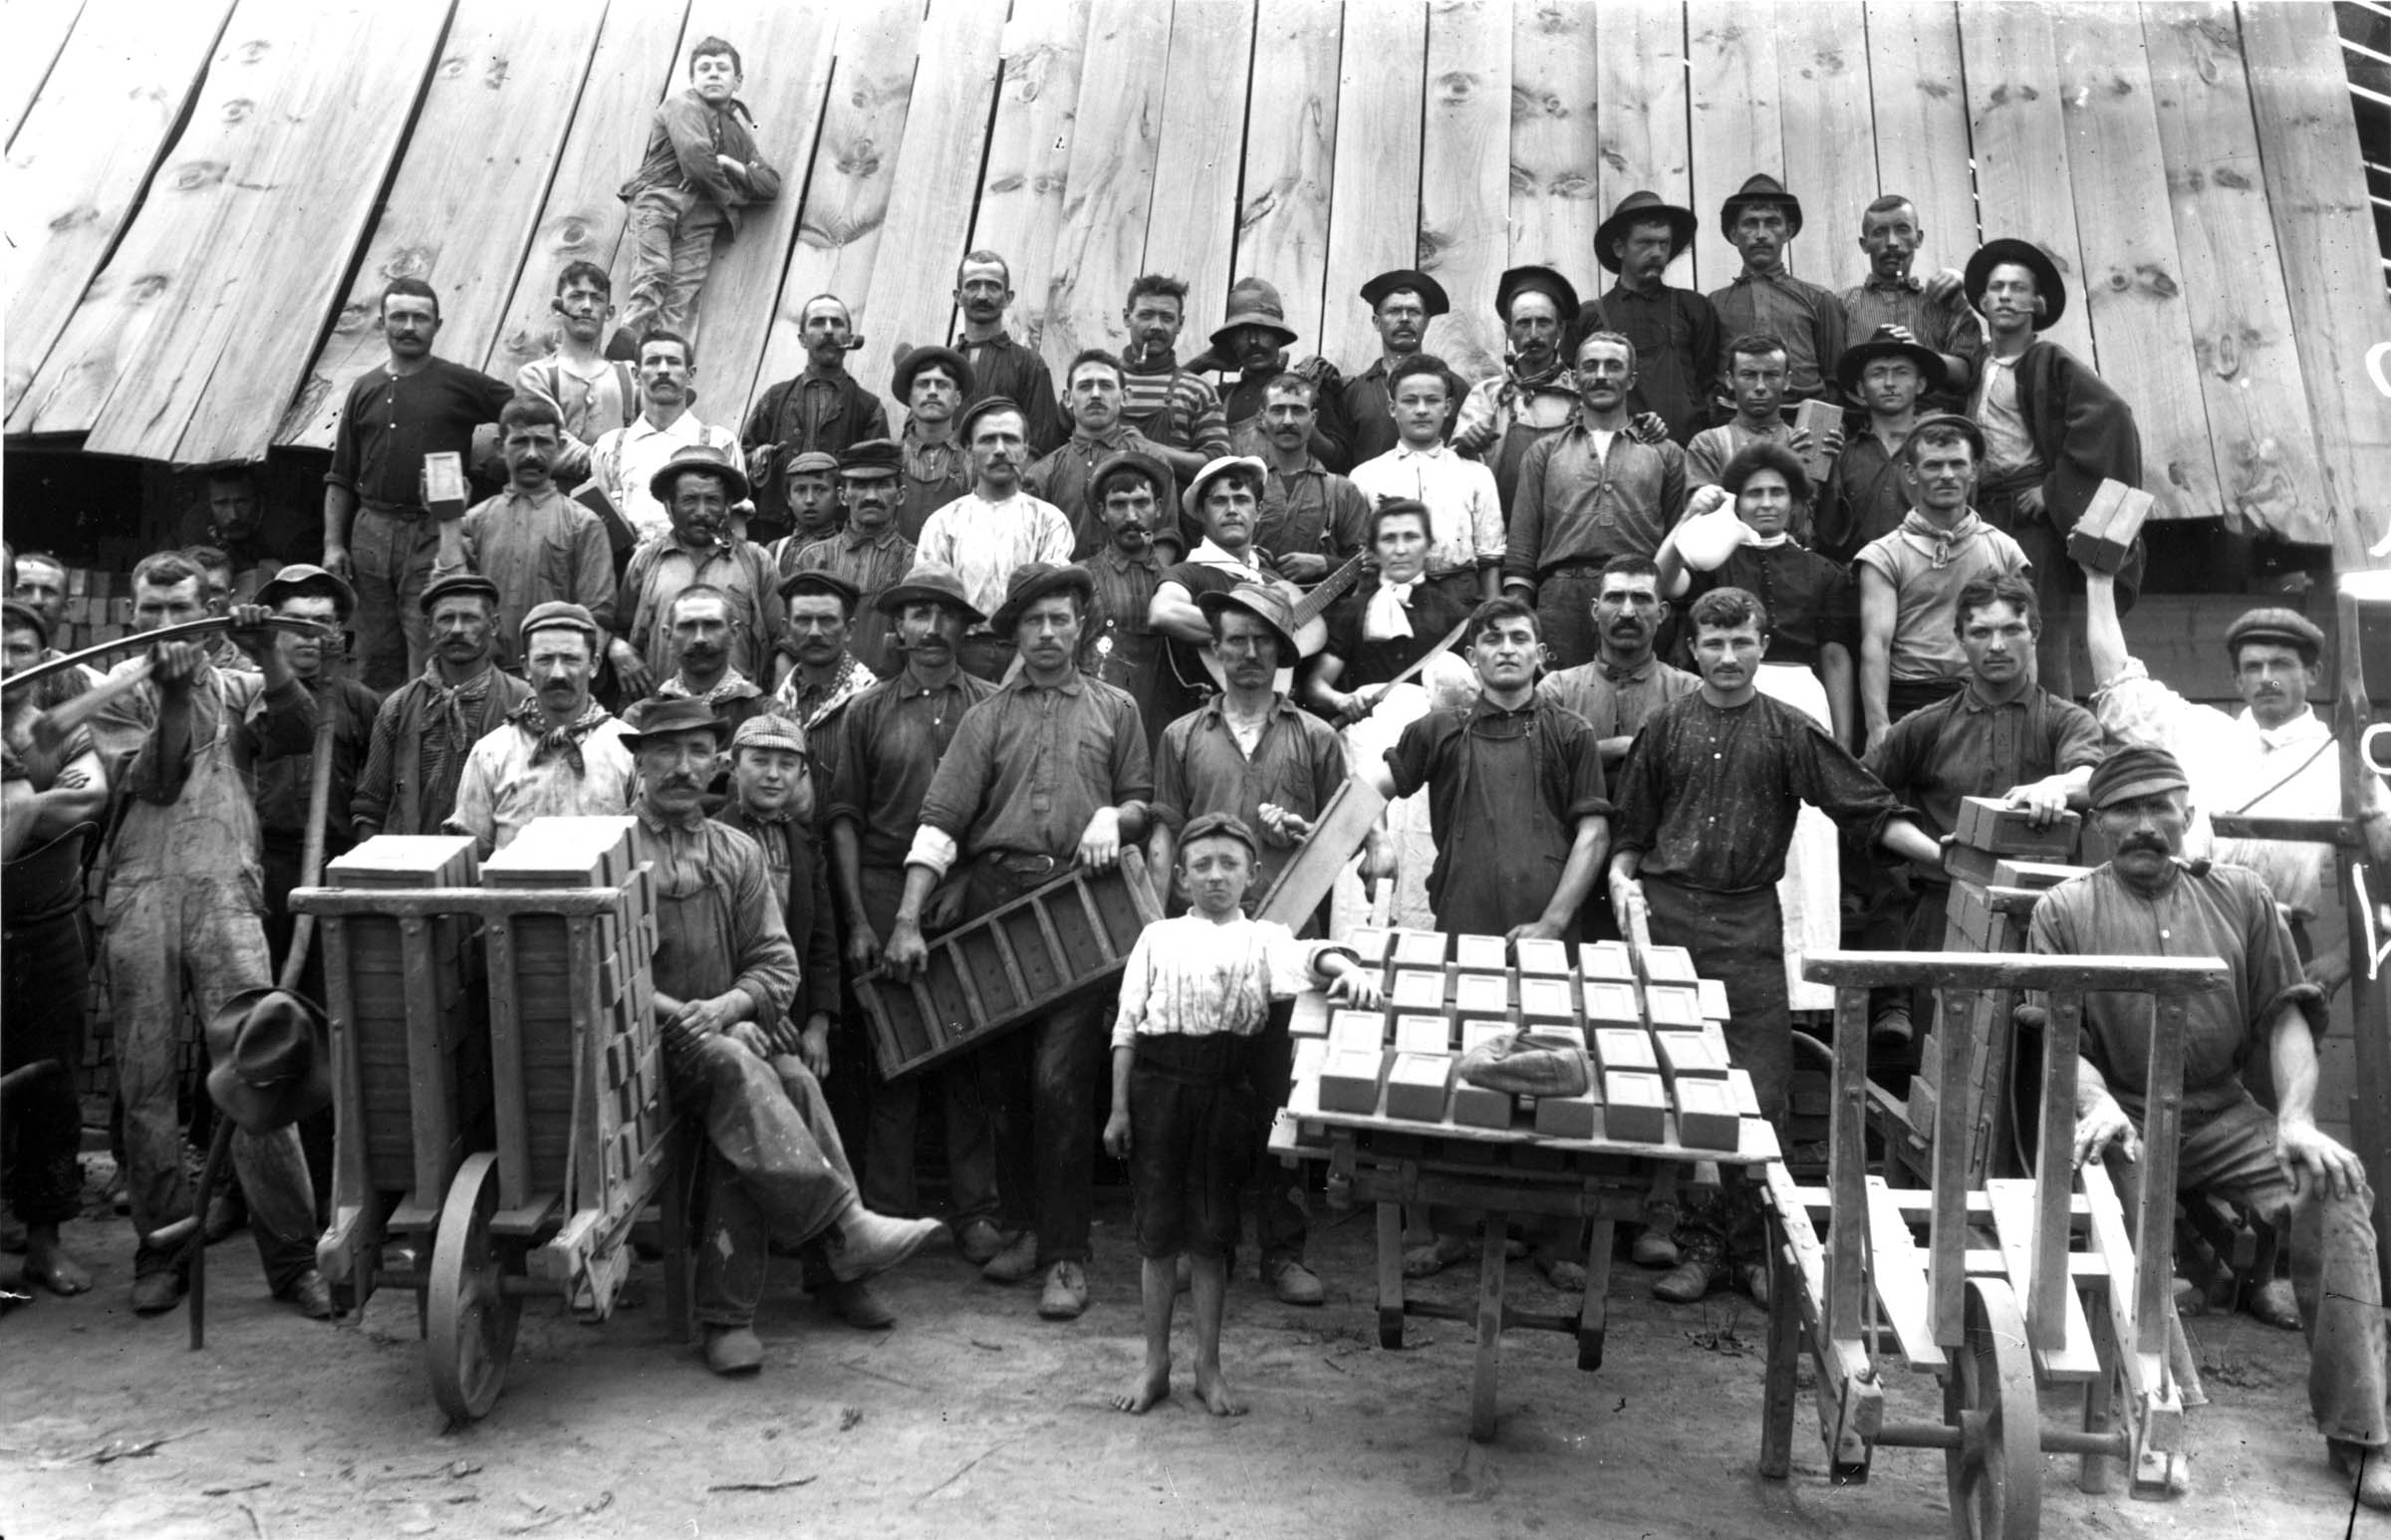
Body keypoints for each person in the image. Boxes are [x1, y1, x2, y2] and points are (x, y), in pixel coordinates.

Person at [2026, 745, 2388, 1512]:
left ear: (2189, 817)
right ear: (2097, 825)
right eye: (2126, 810)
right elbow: (2060, 1043)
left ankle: (2361, 1435)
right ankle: (2162, 1414)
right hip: (2121, 1111)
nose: (2146, 825)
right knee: (2120, 1190)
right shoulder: (2062, 911)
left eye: (2163, 808)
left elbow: (2287, 1017)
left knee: (2337, 1187)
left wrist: (2294, 1119)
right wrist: (2096, 1104)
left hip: (2222, 1112)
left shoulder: (2243, 897)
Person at [1610, 586, 1940, 1304]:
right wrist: (1620, 883)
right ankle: (1697, 1249)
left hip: (1749, 925)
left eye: (1742, 642)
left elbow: (1867, 810)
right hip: (1670, 925)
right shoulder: (1664, 729)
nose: (1728, 657)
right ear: (1691, 649)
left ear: (1763, 645)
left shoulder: (1790, 730)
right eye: (1714, 644)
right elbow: (1630, 835)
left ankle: (1760, 1252)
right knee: (1679, 1087)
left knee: (1759, 1094)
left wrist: (1945, 857)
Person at [620, 696, 940, 1372]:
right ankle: (843, 1230)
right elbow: (600, 975)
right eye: (665, 754)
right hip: (637, 1057)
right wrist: (695, 1015)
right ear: (639, 763)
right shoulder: (612, 854)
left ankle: (731, 1317)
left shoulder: (736, 851)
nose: (683, 768)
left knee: (781, 1079)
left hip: (724, 1045)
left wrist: (735, 1006)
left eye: (697, 752)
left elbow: (777, 961)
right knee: (750, 1072)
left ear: (715, 762)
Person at [884, 563, 1154, 1320]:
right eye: (1032, 622)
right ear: (1013, 632)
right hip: (996, 904)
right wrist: (908, 917)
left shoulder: (1118, 707)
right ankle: (1031, 1230)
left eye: (1059, 620)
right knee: (1002, 1084)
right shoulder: (987, 718)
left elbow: (1142, 799)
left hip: (1079, 907)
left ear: (1081, 626)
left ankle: (1067, 1257)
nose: (1045, 635)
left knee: (1060, 1084)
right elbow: (940, 823)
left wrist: (1117, 819)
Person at [86, 552, 332, 1318]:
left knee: (262, 1065)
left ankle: (293, 1260)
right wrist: (168, 695)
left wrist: (265, 651)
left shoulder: (237, 685)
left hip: (225, 890)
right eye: (151, 612)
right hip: (139, 894)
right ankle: (162, 1249)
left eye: (179, 610)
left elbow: (298, 727)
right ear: (133, 615)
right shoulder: (112, 689)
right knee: (147, 1082)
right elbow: (155, 780)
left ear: (210, 607)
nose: (164, 626)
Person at [1355, 597, 1612, 1280]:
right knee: (1459, 1066)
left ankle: (1556, 1241)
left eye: (1519, 638)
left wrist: (1555, 923)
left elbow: (1593, 832)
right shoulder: (1436, 729)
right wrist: (1376, 837)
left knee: (1555, 1074)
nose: (1505, 648)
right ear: (1472, 658)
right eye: (1491, 639)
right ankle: (1448, 1231)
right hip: (1464, 926)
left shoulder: (1570, 732)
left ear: (1540, 654)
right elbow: (1366, 788)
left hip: (1550, 933)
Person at [1104, 812, 1380, 1414]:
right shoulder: (1158, 938)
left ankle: (1208, 1367)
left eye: (1229, 864)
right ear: (1180, 878)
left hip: (1224, 1098)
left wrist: (1350, 969)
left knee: (1209, 1237)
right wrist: (1119, 1110)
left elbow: (1314, 958)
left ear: (1252, 874)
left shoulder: (1265, 940)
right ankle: (1154, 1364)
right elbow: (1126, 1029)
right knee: (1156, 1238)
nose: (1215, 876)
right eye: (1201, 865)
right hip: (1157, 1096)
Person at [1147, 585, 1351, 1306]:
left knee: (1279, 1099)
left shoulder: (1317, 737)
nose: (1248, 653)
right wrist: (1162, 918)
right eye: (1235, 639)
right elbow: (1167, 833)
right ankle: (1210, 1247)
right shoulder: (1181, 736)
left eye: (1263, 641)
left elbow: (1344, 841)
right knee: (1206, 1105)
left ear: (1283, 652)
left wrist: (1306, 839)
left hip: (1288, 943)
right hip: (1205, 947)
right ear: (1215, 649)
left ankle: (1284, 1251)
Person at [825, 564, 1002, 1248]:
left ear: (963, 626)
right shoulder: (866, 711)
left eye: (944, 615)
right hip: (880, 889)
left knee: (968, 1055)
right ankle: (890, 1215)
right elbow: (844, 818)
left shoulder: (989, 705)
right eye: (916, 615)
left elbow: (993, 813)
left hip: (964, 897)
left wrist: (966, 880)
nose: (931, 630)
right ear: (895, 630)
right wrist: (860, 921)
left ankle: (976, 1211)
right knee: (891, 1063)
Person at [1866, 574, 2102, 1046]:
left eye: (2011, 630)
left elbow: (2093, 775)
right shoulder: (1925, 727)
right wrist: (1933, 853)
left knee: (2040, 1065)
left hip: (2045, 918)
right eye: (1980, 632)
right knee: (1943, 1068)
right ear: (1960, 639)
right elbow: (1857, 797)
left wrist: (2057, 785)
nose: (1996, 645)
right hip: (1943, 912)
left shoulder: (2065, 720)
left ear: (2035, 632)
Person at [2083, 573, 2345, 980]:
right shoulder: (2200, 732)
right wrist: (2098, 582)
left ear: (2313, 673)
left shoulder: (2340, 765)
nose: (2267, 678)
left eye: (2281, 665)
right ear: (2238, 680)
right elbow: (2118, 688)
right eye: (2253, 667)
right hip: (2183, 931)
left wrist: (2341, 961)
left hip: (2277, 943)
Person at [709, 713, 882, 1325]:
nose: (774, 774)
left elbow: (822, 942)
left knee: (823, 1101)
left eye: (788, 764)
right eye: (760, 761)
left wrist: (817, 1024)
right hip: (731, 1018)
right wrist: (758, 1008)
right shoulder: (710, 836)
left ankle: (834, 1276)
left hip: (793, 1021)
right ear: (733, 766)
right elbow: (707, 947)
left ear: (804, 774)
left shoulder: (804, 842)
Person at [1965, 237, 2144, 699]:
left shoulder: (2047, 361)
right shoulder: (1978, 364)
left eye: (2017, 288)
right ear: (1982, 302)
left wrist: (2054, 489)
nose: (2005, 296)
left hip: (2029, 518)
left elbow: (2110, 415)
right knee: (1983, 625)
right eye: (1996, 287)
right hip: (1984, 514)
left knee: (2036, 630)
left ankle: (2050, 735)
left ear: (2036, 303)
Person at [320, 278, 515, 690]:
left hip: (433, 531)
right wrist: (333, 544)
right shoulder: (364, 388)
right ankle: (382, 745)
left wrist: (502, 459)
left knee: (428, 643)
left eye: (419, 318)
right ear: (381, 323)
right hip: (371, 530)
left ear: (437, 324)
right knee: (376, 652)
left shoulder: (458, 382)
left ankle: (424, 743)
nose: (409, 326)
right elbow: (340, 475)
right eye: (399, 317)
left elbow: (523, 411)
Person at [1, 598, 108, 1297]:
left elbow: (93, 796)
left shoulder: (62, 732)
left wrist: (21, 806)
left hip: (48, 930)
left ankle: (45, 1243)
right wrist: (44, 803)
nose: (7, 663)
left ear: (46, 662)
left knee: (51, 1087)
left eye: (21, 650)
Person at [1504, 332, 1691, 667]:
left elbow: (1679, 546)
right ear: (1575, 379)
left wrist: (1677, 626)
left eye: (1613, 366)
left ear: (1631, 379)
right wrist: (1518, 621)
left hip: (1640, 596)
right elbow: (1522, 550)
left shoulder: (1665, 452)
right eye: (1590, 366)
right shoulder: (1544, 453)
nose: (1601, 375)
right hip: (1562, 601)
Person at [240, 565, 380, 991]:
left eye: (322, 622)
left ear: (338, 629)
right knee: (259, 990)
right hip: (264, 868)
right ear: (273, 627)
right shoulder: (244, 694)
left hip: (333, 866)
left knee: (330, 992)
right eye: (295, 622)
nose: (310, 635)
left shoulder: (360, 703)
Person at [1854, 413, 2033, 746]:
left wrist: (2028, 716)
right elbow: (1875, 645)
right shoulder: (1884, 555)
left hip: (1989, 696)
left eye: (1957, 464)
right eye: (1934, 466)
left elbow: (2024, 641)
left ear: (1974, 471)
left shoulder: (2004, 549)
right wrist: (1878, 726)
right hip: (1913, 701)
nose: (1947, 476)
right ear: (1911, 474)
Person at [612, 36, 781, 352]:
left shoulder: (739, 134)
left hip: (703, 218)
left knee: (683, 293)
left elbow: (770, 184)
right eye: (704, 68)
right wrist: (731, 194)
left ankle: (664, 359)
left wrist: (729, 163)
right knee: (655, 272)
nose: (713, 74)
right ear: (693, 78)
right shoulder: (682, 106)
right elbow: (696, 159)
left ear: (738, 80)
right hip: (661, 201)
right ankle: (627, 346)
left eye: (722, 68)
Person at [430, 393, 616, 668]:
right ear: (500, 447)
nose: (531, 454)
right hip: (485, 675)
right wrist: (448, 521)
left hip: (553, 676)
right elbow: (448, 595)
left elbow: (597, 614)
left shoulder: (583, 523)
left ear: (560, 446)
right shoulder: (474, 521)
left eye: (542, 442)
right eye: (519, 442)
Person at [447, 602, 637, 858]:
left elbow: (641, 852)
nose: (558, 674)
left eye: (571, 659)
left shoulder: (628, 748)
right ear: (526, 667)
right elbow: (471, 854)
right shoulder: (491, 752)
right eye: (545, 660)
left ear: (593, 665)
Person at [352, 574, 532, 840]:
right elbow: (371, 804)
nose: (457, 629)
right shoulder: (399, 707)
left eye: (470, 618)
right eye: (446, 619)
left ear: (493, 625)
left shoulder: (522, 703)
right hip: (412, 862)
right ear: (429, 627)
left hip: (493, 861)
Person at [914, 396, 1075, 679]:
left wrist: (1019, 670)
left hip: (1031, 655)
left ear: (1025, 448)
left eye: (1010, 440)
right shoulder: (943, 523)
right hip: (959, 657)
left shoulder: (1050, 521)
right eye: (988, 440)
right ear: (968, 450)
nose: (1000, 450)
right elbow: (932, 602)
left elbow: (1048, 597)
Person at [612, 444, 781, 699]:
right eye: (689, 500)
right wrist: (618, 648)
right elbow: (619, 627)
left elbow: (780, 638)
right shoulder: (645, 561)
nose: (701, 512)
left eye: (712, 500)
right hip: (663, 713)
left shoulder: (758, 561)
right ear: (669, 506)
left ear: (728, 506)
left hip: (736, 711)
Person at [1350, 355, 1504, 608]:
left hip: (1459, 600)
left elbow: (1490, 558)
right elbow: (1359, 559)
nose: (1421, 410)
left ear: (1448, 406)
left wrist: (1492, 613)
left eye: (1432, 400)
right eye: (1410, 401)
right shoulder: (1365, 476)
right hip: (1387, 601)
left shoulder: (1476, 475)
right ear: (1392, 408)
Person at [741, 294, 890, 543]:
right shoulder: (774, 399)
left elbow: (879, 478)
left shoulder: (869, 408)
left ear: (850, 338)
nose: (829, 331)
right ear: (802, 339)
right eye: (819, 322)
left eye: (837, 323)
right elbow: (739, 463)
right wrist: (757, 461)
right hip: (774, 532)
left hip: (843, 536)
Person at [1149, 455, 1283, 727]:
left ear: (1259, 511)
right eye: (1219, 501)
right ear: (1201, 513)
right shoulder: (1188, 572)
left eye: (1242, 500)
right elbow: (1162, 612)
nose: (1232, 510)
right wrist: (1259, 627)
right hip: (1206, 727)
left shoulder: (1273, 581)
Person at [1580, 190, 1721, 445]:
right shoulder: (1590, 316)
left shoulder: (1694, 308)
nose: (1656, 253)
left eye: (1663, 244)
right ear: (1619, 248)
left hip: (1686, 450)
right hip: (1620, 454)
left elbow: (1709, 385)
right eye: (1645, 243)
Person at [1536, 555, 1702, 771]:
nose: (1627, 612)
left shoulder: (1689, 692)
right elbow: (1532, 765)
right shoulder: (1557, 691)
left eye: (1641, 598)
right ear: (1595, 611)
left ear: (1661, 613)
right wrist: (1613, 749)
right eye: (1615, 597)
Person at [587, 330, 746, 549]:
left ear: (690, 375)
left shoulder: (719, 443)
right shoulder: (610, 446)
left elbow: (737, 526)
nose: (663, 370)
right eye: (652, 362)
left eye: (673, 362)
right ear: (636, 374)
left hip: (700, 571)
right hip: (628, 573)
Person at [1703, 174, 1846, 405]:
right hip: (1733, 419)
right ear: (1733, 234)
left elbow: (1834, 381)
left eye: (1772, 223)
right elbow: (1707, 382)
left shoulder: (1819, 299)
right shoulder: (1714, 304)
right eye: (1750, 223)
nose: (1761, 234)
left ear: (1787, 231)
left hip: (1801, 421)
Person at [778, 439, 915, 678]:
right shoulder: (814, 558)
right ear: (842, 495)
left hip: (889, 694)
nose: (871, 496)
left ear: (901, 495)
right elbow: (792, 638)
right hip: (823, 690)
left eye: (882, 485)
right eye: (860, 486)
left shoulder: (914, 561)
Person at [1454, 266, 1583, 509]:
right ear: (1508, 331)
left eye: (1544, 323)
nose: (1533, 334)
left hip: (1570, 529)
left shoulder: (1583, 392)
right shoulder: (1487, 396)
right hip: (1504, 528)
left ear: (1561, 329)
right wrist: (1465, 446)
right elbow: (1456, 474)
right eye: (1524, 323)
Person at [1074, 451, 1179, 753]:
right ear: (1102, 511)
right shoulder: (1082, 579)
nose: (1131, 516)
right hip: (1097, 732)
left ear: (1158, 508)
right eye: (1119, 504)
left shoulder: (1179, 583)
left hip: (1164, 735)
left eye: (1141, 502)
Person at [1840, 194, 1982, 412]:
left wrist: (1921, 356)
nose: (1892, 243)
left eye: (1902, 229)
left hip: (1934, 430)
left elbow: (1967, 374)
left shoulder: (1945, 303)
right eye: (1879, 232)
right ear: (1864, 244)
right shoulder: (1842, 305)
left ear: (1919, 237)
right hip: (1865, 431)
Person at [1025, 349, 1173, 556]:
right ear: (1067, 398)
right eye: (1085, 386)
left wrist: (1152, 584)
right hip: (1066, 584)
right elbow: (1033, 546)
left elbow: (1167, 536)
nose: (1095, 394)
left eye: (1106, 385)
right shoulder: (1042, 473)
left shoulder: (1152, 461)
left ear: (1124, 397)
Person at [1816, 326, 1942, 564]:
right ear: (1861, 389)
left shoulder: (1938, 452)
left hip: (1926, 579)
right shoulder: (1843, 454)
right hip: (1858, 580)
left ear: (1921, 384)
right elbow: (1827, 535)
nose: (1889, 383)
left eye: (1901, 372)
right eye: (1877, 373)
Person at [512, 260, 638, 486]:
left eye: (596, 298)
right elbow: (546, 441)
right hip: (556, 503)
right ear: (556, 306)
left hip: (619, 503)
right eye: (577, 296)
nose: (587, 306)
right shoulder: (535, 376)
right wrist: (609, 463)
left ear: (609, 312)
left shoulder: (629, 376)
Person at [1244, 374, 1370, 582]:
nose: (1288, 421)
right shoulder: (1242, 485)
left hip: (1320, 609)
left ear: (1313, 419)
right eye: (1277, 410)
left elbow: (1365, 564)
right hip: (1248, 604)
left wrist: (1325, 564)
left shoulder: (1342, 491)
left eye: (1298, 410)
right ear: (1261, 419)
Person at [1685, 333, 1840, 493]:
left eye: (1771, 375)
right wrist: (1786, 461)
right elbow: (1702, 513)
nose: (1760, 386)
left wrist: (1830, 466)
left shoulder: (1805, 443)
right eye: (1749, 375)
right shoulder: (1708, 444)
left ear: (1787, 381)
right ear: (1730, 381)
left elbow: (1819, 514)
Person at [1328, 269, 1450, 471]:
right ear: (1377, 322)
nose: (1404, 319)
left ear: (1426, 321)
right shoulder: (1353, 392)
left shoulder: (1451, 387)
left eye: (1413, 311)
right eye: (1394, 311)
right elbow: (1340, 461)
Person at [1115, 273, 1231, 478]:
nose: (1157, 326)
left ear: (1180, 323)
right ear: (1127, 317)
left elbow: (1218, 462)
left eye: (1167, 318)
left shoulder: (1197, 390)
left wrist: (1148, 448)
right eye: (1146, 315)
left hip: (1173, 508)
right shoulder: (1100, 383)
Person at [951, 250, 1064, 455]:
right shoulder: (941, 366)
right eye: (973, 285)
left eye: (993, 286)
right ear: (958, 297)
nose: (983, 295)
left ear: (1007, 298)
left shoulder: (1029, 364)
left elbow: (1041, 445)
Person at [1209, 278, 1332, 456]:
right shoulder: (1222, 396)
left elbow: (1339, 460)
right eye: (1243, 333)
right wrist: (1202, 363)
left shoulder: (1310, 388)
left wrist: (1301, 415)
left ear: (1279, 337)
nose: (1253, 341)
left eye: (1263, 331)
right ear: (1232, 342)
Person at [650, 585, 775, 744]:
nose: (699, 638)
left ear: (734, 633)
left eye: (711, 625)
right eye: (687, 627)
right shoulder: (640, 716)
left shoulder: (767, 714)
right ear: (668, 636)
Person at [890, 346, 973, 542]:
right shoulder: (889, 460)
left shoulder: (972, 465)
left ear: (958, 398)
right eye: (923, 384)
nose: (933, 392)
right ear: (910, 398)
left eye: (943, 385)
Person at [9, 552, 101, 697]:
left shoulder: (93, 687)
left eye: (48, 591)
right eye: (24, 589)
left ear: (66, 608)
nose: (36, 601)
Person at [178, 466, 284, 571]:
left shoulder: (282, 527)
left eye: (242, 502)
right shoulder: (196, 522)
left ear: (258, 499)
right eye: (221, 503)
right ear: (208, 503)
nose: (233, 515)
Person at [764, 450, 845, 560]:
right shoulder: (776, 550)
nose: (809, 500)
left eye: (820, 490)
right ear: (789, 498)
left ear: (838, 496)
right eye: (801, 490)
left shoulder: (847, 552)